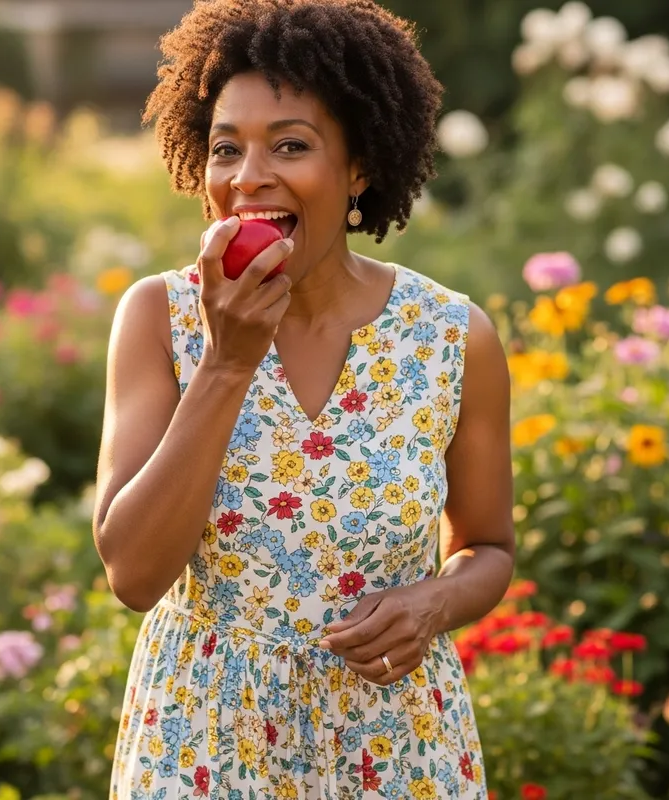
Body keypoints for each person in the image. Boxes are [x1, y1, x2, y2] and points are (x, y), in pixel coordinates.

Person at [92, 1, 515, 797]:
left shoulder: (453, 338)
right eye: (226, 148)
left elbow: (488, 546)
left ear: (358, 166)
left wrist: (435, 601)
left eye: (290, 145)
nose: (248, 178)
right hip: (204, 743)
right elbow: (134, 575)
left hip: (395, 748)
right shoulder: (161, 317)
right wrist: (226, 366)